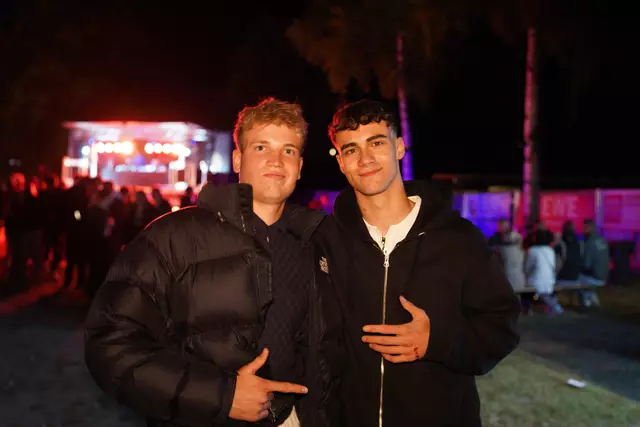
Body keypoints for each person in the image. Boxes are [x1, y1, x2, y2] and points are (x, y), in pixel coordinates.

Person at [84, 98, 333, 427]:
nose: (276, 160)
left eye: (288, 150)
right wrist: (222, 396)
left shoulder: (316, 244)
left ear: (299, 166)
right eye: (261, 147)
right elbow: (109, 343)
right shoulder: (174, 236)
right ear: (238, 159)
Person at [313, 99, 520, 426]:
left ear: (398, 147)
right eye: (351, 149)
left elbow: (501, 327)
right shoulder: (326, 241)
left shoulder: (458, 239)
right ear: (340, 162)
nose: (365, 159)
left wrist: (437, 341)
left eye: (376, 143)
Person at [578, 219, 610, 307]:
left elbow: (586, 265)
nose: (583, 230)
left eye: (585, 228)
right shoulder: (603, 240)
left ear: (590, 228)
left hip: (596, 276)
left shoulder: (589, 242)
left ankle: (586, 302)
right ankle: (593, 297)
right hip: (605, 275)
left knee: (577, 278)